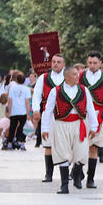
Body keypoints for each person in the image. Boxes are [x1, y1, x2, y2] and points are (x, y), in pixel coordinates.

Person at [40, 62, 97, 194]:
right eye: (74, 74)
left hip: (79, 124)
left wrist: (94, 126)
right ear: (66, 76)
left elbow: (90, 109)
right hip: (61, 125)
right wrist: (45, 129)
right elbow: (48, 111)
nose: (78, 76)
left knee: (82, 153)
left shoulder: (84, 90)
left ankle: (77, 173)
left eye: (78, 74)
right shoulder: (56, 90)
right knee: (62, 153)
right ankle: (64, 185)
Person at [32, 54, 67, 182]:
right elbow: (36, 95)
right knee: (48, 145)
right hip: (48, 114)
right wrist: (36, 110)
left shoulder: (69, 77)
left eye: (58, 62)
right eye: (53, 61)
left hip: (65, 114)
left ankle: (66, 172)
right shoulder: (44, 77)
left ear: (64, 64)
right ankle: (49, 174)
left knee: (66, 144)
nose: (56, 64)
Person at [80, 51, 103, 188]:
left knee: (94, 147)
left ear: (100, 63)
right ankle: (78, 171)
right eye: (90, 63)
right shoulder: (80, 76)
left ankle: (90, 178)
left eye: (95, 63)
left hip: (99, 114)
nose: (92, 65)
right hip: (83, 115)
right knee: (80, 145)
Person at [4, 71, 30, 149]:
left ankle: (9, 143)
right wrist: (28, 113)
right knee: (22, 127)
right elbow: (27, 102)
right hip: (23, 111)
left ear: (16, 80)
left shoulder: (12, 88)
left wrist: (9, 110)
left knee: (12, 127)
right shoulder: (26, 89)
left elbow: (10, 101)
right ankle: (21, 142)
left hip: (14, 111)